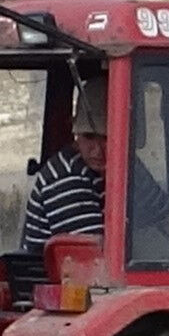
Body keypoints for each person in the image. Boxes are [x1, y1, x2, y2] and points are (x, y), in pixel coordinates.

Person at [18, 80, 109, 253]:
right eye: (89, 137)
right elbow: (94, 259)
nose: (97, 150)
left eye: (106, 138)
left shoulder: (128, 169)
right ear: (76, 133)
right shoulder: (66, 176)